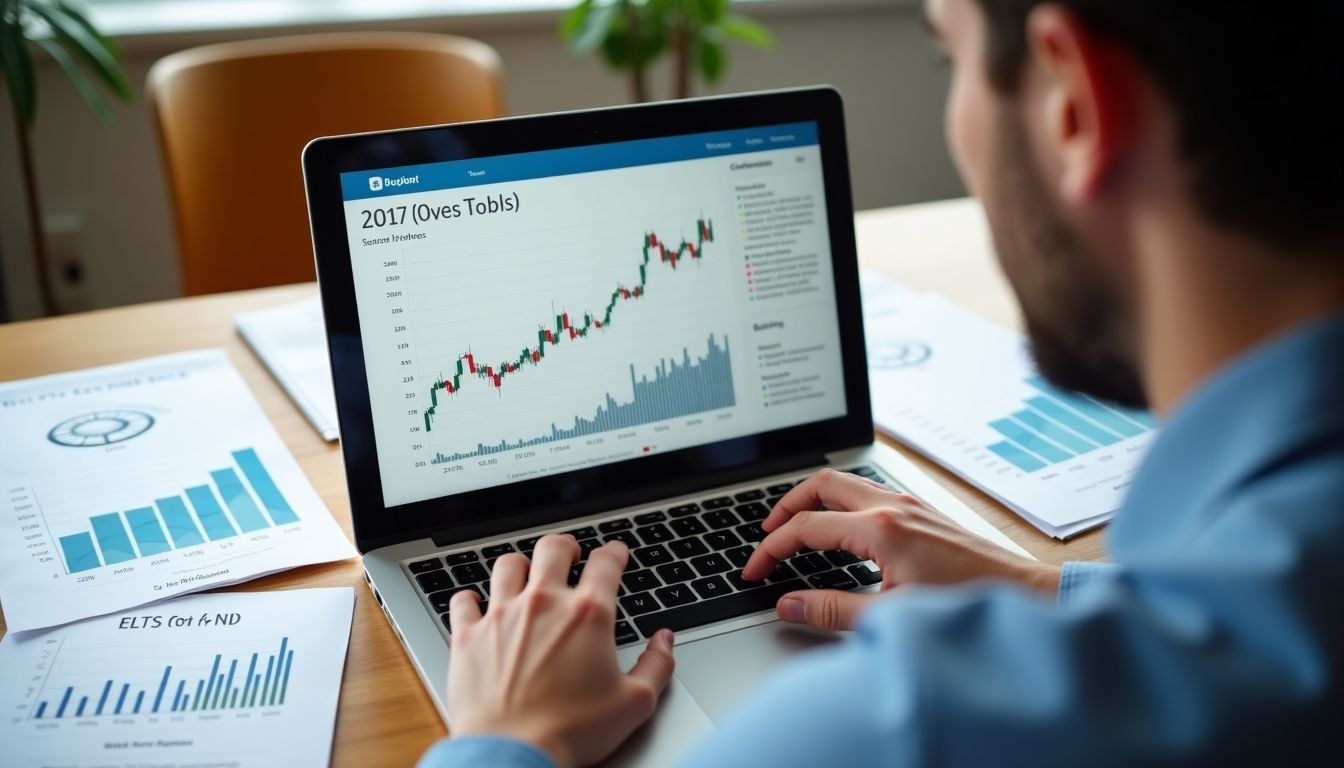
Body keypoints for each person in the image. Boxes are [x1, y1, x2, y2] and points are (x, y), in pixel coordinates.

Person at [418, 0, 1344, 764]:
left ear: (1072, 102)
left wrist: (506, 738)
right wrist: (1047, 590)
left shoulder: (892, 728)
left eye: (953, 62)